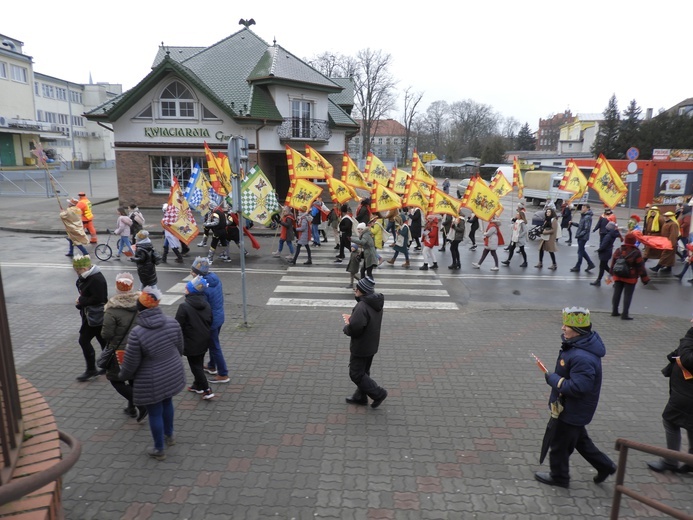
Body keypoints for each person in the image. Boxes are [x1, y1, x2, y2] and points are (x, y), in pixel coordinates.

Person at [535, 307, 617, 488]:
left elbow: (579, 387)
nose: (563, 328)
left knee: (559, 446)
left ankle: (559, 477)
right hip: (574, 410)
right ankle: (605, 466)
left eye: (567, 326)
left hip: (571, 409)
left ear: (578, 330)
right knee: (580, 441)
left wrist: (553, 379)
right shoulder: (579, 345)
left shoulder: (582, 357)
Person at [118, 286, 187, 461]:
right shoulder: (172, 322)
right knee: (167, 403)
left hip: (152, 379)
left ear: (139, 309)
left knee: (155, 412)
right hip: (172, 371)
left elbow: (131, 363)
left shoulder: (137, 333)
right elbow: (180, 348)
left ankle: (158, 449)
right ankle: (169, 436)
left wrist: (123, 376)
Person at [647, 319, 693, 474]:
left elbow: (688, 360)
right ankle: (690, 462)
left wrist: (689, 336)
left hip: (687, 393)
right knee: (690, 424)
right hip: (685, 390)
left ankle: (670, 461)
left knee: (670, 421)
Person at [101, 272, 146, 421]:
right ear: (132, 287)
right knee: (133, 378)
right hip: (138, 348)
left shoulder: (112, 310)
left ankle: (140, 404)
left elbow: (106, 334)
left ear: (117, 288)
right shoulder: (141, 304)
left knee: (116, 380)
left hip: (119, 351)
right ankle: (131, 407)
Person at [342, 276, 388, 409]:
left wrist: (347, 328)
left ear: (363, 290)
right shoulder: (375, 302)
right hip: (371, 344)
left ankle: (378, 393)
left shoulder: (362, 306)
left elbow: (355, 327)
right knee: (364, 371)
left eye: (358, 288)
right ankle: (360, 396)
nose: (355, 289)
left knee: (356, 373)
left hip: (361, 346)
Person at [191, 257, 230, 384]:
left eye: (193, 271)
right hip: (219, 316)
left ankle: (223, 374)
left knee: (214, 346)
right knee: (213, 343)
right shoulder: (214, 279)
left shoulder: (202, 286)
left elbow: (202, 305)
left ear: (198, 273)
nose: (191, 273)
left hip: (211, 320)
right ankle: (212, 366)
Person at [175, 276, 214, 400]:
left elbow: (177, 325)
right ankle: (197, 385)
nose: (185, 289)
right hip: (204, 339)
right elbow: (210, 320)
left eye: (187, 288)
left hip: (191, 342)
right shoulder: (206, 304)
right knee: (199, 362)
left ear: (191, 291)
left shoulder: (184, 306)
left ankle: (207, 390)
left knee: (195, 367)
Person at [73, 254, 108, 382]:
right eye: (76, 270)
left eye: (80, 270)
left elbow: (98, 298)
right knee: (102, 339)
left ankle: (91, 370)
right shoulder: (85, 277)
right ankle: (108, 365)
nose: (78, 272)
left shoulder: (96, 279)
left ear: (87, 267)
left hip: (95, 315)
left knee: (83, 340)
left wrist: (81, 300)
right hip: (91, 314)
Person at [609, 232, 650, 319]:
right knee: (628, 295)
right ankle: (625, 314)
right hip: (630, 277)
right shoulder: (636, 252)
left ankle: (614, 311)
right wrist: (645, 279)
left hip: (618, 275)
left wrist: (611, 274)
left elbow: (613, 263)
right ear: (634, 241)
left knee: (616, 293)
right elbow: (640, 267)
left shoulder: (619, 250)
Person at [590, 221, 620, 286]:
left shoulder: (608, 236)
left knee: (602, 267)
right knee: (605, 266)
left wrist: (599, 250)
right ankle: (616, 278)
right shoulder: (613, 234)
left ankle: (598, 280)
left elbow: (603, 245)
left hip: (605, 253)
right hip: (608, 252)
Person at [570, 204, 596, 273]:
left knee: (580, 252)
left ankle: (578, 266)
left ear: (588, 208)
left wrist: (579, 235)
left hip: (583, 237)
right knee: (582, 251)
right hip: (581, 236)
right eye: (582, 207)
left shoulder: (587, 217)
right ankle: (590, 264)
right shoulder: (584, 216)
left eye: (583, 208)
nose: (582, 209)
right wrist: (573, 223)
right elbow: (580, 226)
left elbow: (586, 229)